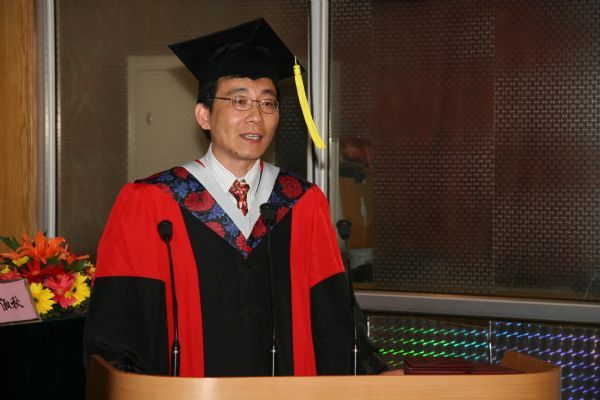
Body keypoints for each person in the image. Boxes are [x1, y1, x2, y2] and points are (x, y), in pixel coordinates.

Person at [83, 18, 389, 377]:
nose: (256, 116)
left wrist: (372, 377)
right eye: (239, 101)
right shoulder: (151, 202)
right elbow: (119, 325)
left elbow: (335, 320)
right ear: (204, 115)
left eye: (268, 103)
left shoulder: (303, 203)